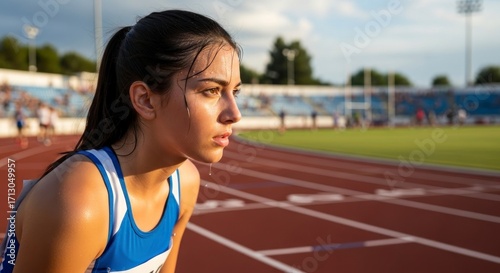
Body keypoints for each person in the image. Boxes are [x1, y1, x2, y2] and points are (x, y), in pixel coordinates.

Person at [0, 10, 242, 273]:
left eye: (235, 92)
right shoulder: (79, 202)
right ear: (145, 99)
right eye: (211, 91)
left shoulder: (185, 182)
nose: (234, 114)